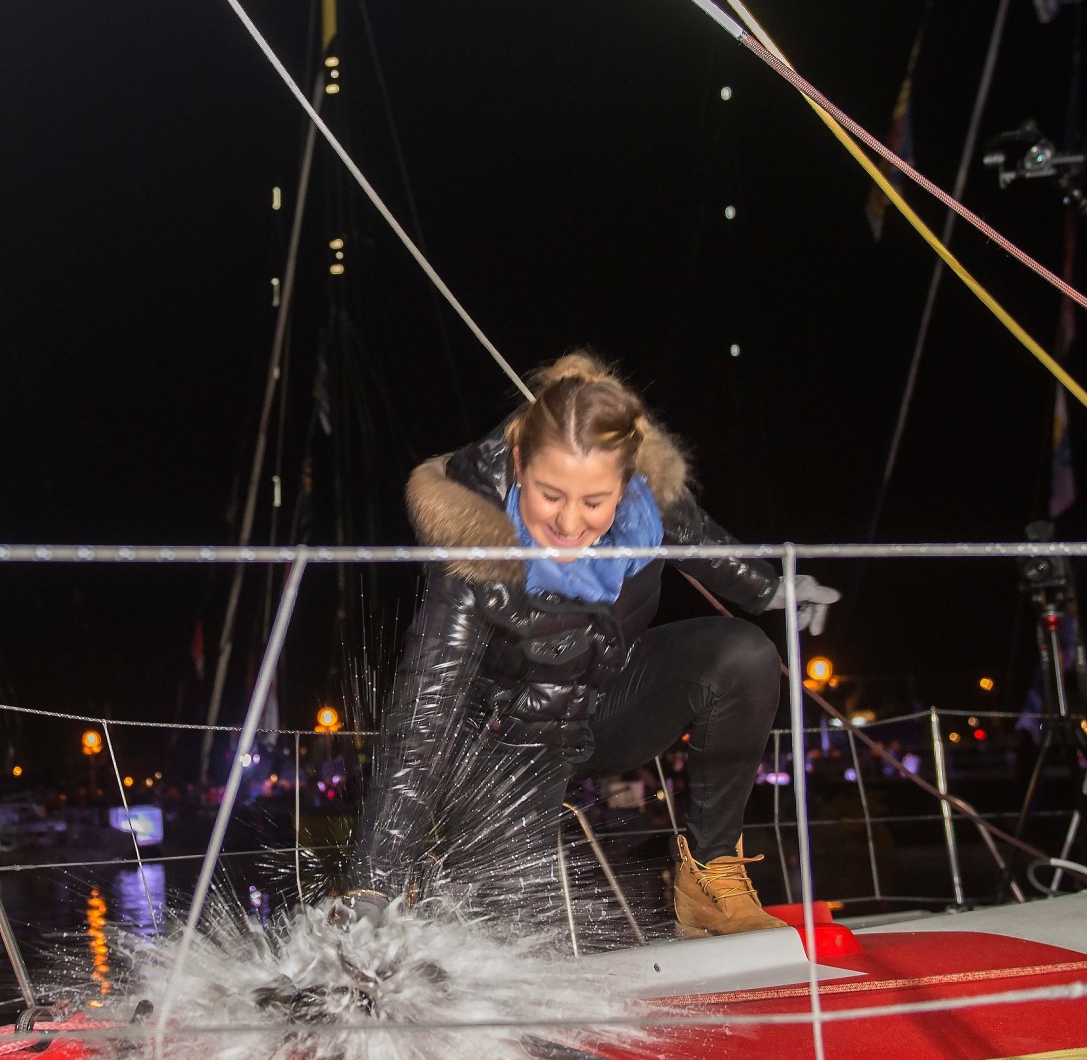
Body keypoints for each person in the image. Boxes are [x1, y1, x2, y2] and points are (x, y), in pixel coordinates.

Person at [351, 354, 838, 938]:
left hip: (601, 709)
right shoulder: (471, 545)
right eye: (550, 495)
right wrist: (371, 879)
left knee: (742, 656)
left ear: (626, 485)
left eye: (593, 502)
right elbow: (426, 706)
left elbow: (701, 542)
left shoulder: (646, 505)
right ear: (518, 463)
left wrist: (776, 588)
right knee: (514, 940)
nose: (569, 523)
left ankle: (708, 880)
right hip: (508, 746)